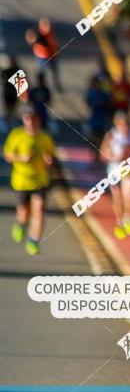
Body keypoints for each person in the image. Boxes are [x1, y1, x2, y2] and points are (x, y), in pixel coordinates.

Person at [3, 104, 55, 255]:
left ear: (38, 120)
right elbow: (7, 155)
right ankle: (20, 224)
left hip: (40, 181)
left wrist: (49, 160)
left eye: (33, 119)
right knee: (24, 212)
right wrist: (21, 158)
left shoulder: (44, 138)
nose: (31, 123)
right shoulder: (17, 135)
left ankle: (33, 241)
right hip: (21, 181)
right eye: (28, 120)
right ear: (24, 120)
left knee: (39, 210)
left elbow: (51, 156)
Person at [100, 111, 130, 239]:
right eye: (122, 125)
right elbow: (103, 154)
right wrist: (114, 156)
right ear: (117, 124)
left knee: (129, 196)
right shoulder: (112, 135)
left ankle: (129, 218)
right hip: (115, 170)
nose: (125, 128)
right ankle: (119, 222)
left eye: (127, 125)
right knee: (117, 198)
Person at [25, 19, 61, 92]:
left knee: (54, 71)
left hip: (52, 55)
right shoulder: (39, 35)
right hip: (43, 56)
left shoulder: (49, 33)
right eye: (45, 25)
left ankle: (56, 86)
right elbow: (33, 40)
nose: (48, 26)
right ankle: (41, 87)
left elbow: (53, 43)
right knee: (42, 72)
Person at [85, 77, 112, 162]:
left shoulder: (104, 95)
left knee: (101, 138)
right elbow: (88, 103)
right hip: (94, 120)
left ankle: (98, 154)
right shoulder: (91, 93)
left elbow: (109, 105)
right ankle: (95, 153)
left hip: (102, 120)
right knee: (93, 137)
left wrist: (104, 105)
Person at [1, 54, 21, 130]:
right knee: (8, 108)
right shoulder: (13, 70)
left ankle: (11, 123)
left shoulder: (16, 70)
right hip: (8, 92)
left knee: (12, 108)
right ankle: (8, 123)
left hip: (13, 92)